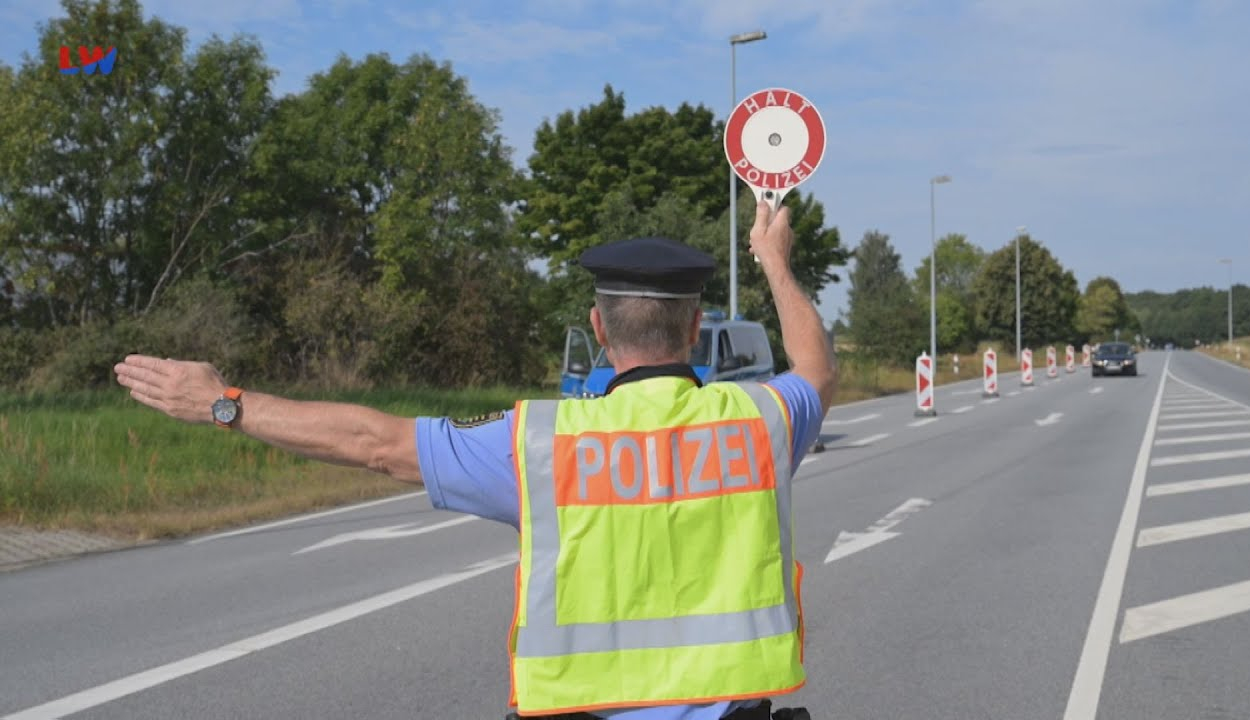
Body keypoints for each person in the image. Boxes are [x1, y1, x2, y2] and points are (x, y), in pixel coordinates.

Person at [114, 198, 836, 719]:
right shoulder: (761, 422)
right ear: (696, 324)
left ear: (597, 327)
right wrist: (774, 261)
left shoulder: (537, 443)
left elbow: (374, 443)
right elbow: (816, 368)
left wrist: (225, 403)